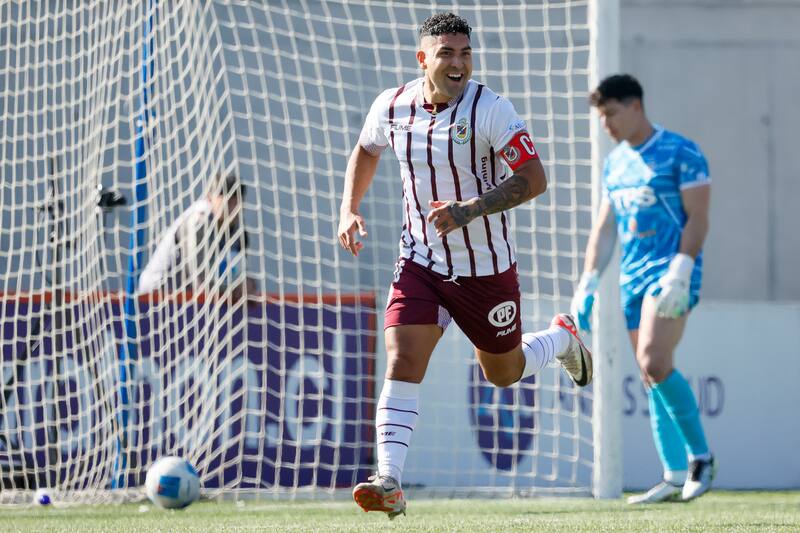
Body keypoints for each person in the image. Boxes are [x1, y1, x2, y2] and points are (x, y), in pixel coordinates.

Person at [337, 12, 592, 519]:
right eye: (447, 54)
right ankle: (389, 479)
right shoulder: (391, 106)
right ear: (423, 59)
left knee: (502, 372)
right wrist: (349, 207)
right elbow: (366, 149)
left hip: (485, 267)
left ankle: (561, 338)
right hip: (421, 259)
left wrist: (469, 210)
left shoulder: (492, 108)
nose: (458, 64)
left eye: (465, 54)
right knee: (402, 358)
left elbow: (535, 178)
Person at [571, 74, 714, 503]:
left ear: (635, 106)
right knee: (650, 375)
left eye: (611, 113)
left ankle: (701, 458)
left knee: (654, 358)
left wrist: (681, 270)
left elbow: (699, 216)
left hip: (669, 275)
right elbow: (605, 228)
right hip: (632, 280)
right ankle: (672, 476)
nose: (606, 124)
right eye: (600, 117)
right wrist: (588, 283)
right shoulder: (614, 163)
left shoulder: (681, 151)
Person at [138, 172, 254, 302]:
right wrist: (232, 288)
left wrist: (247, 284)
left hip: (189, 298)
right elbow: (200, 279)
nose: (230, 202)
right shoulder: (197, 221)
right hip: (156, 294)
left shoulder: (238, 230)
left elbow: (240, 272)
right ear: (209, 198)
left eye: (235, 197)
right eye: (223, 195)